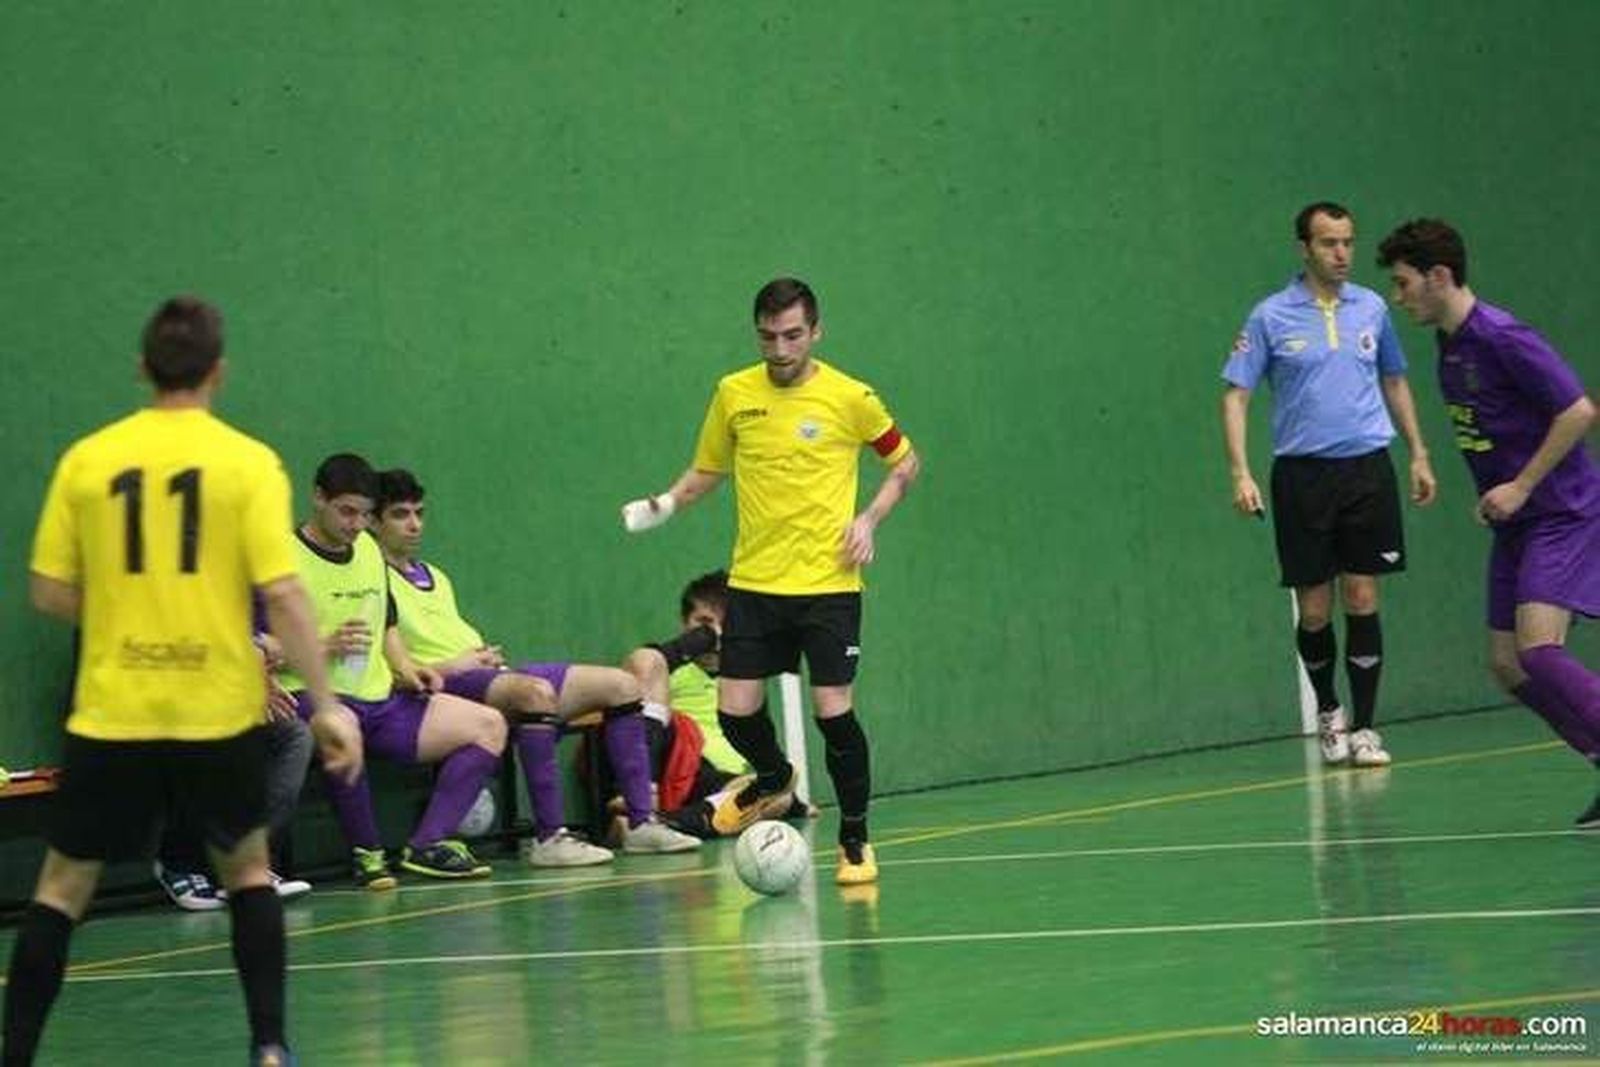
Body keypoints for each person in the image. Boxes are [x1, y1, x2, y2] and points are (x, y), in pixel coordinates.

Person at [3, 297, 360, 1067]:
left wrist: (128, 609)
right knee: (248, 871)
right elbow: (288, 591)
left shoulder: (89, 460)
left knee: (62, 890)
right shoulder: (247, 462)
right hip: (214, 710)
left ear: (142, 368)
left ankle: (17, 1054)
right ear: (218, 372)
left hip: (113, 710)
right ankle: (269, 1047)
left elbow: (48, 589)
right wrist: (328, 704)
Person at [621, 277, 920, 885]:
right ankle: (774, 775)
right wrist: (665, 504)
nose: (779, 349)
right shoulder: (734, 394)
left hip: (829, 585)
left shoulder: (851, 397)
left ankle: (856, 837)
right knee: (735, 712)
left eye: (792, 336)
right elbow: (708, 470)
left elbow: (904, 462)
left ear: (815, 332)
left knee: (833, 712)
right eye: (767, 337)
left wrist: (870, 517)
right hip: (755, 584)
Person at [1376, 219, 1600, 826]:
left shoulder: (1504, 336)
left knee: (1540, 649)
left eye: (1403, 284)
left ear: (1439, 276)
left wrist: (1523, 485)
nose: (1398, 298)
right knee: (1505, 664)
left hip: (1560, 512)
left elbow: (1579, 411)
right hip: (1515, 524)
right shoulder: (1449, 345)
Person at [372, 469, 699, 865]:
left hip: (489, 675)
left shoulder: (434, 576)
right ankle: (550, 839)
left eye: (419, 513)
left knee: (623, 686)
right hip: (442, 687)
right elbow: (387, 666)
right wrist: (455, 665)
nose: (414, 524)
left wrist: (480, 656)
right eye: (400, 515)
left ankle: (641, 823)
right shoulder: (373, 580)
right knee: (535, 693)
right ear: (374, 521)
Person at [1221, 202, 1438, 767]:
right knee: (1314, 610)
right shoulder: (1269, 316)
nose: (1341, 253)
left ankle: (1366, 728)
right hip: (1302, 477)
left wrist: (1418, 452)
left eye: (1347, 242)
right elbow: (1236, 395)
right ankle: (1329, 713)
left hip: (1367, 469)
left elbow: (1394, 379)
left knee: (1363, 595)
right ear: (1304, 249)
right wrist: (1240, 471)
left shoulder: (1371, 308)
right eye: (1327, 243)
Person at [277, 454, 507, 886]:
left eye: (365, 514)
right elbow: (256, 646)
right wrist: (320, 647)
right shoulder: (283, 558)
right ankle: (367, 854)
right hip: (313, 697)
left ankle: (427, 844)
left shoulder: (367, 549)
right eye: (346, 511)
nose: (356, 524)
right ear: (318, 498)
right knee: (341, 723)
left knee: (488, 724)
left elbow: (385, 625)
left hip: (380, 700)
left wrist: (408, 669)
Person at [614, 568, 814, 837]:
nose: (716, 636)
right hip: (676, 765)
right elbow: (635, 677)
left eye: (726, 626)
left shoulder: (742, 679)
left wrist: (796, 805)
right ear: (685, 623)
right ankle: (642, 798)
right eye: (704, 623)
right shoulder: (666, 663)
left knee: (778, 794)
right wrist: (695, 643)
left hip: (723, 784)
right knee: (649, 662)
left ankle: (654, 825)